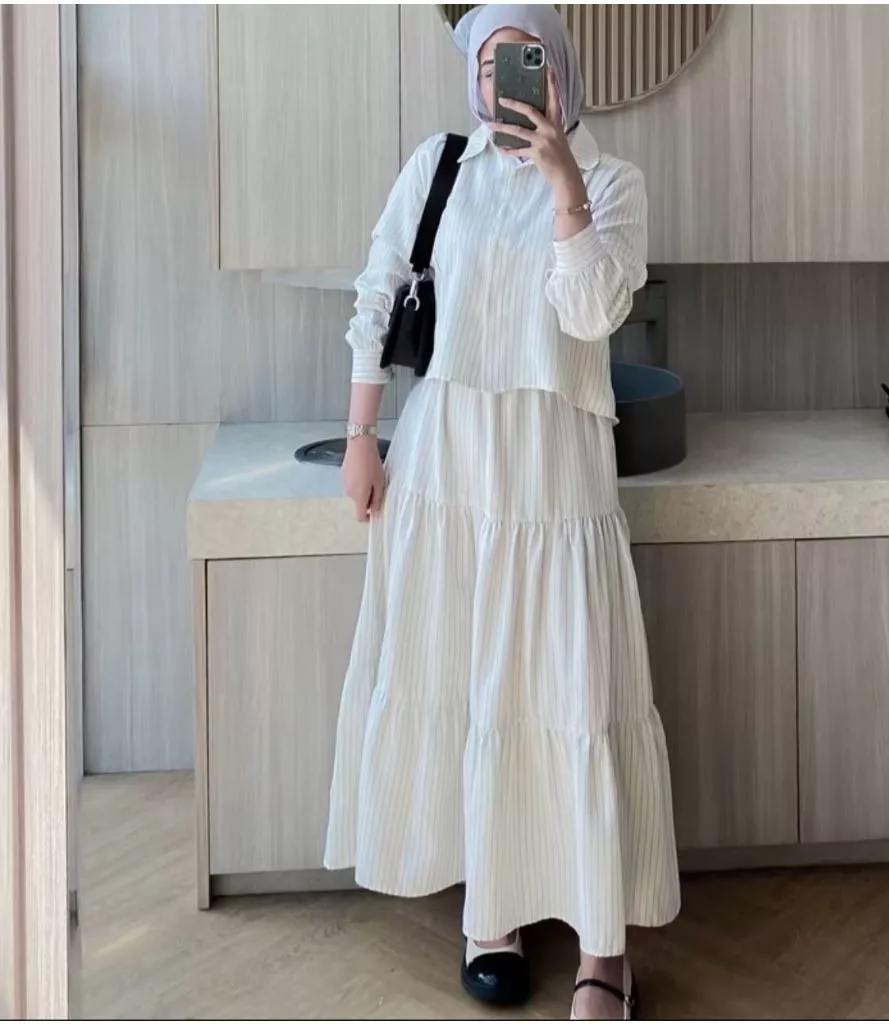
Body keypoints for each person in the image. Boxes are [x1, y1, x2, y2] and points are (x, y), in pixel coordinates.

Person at [324, 5, 680, 1018]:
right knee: (466, 680)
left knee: (571, 690)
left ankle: (604, 952)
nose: (502, 82)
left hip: (553, 471)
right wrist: (361, 433)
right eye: (487, 64)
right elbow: (379, 290)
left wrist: (565, 184)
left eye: (522, 62)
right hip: (447, 465)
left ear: (558, 70)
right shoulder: (439, 166)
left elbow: (591, 312)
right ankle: (493, 916)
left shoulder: (614, 182)